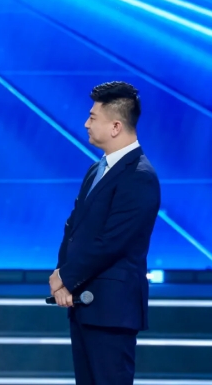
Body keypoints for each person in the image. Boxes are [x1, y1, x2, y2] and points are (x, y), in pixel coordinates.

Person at [48, 81, 161, 385]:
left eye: (92, 117)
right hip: (83, 304)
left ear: (115, 126)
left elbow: (112, 242)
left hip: (112, 310)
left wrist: (66, 276)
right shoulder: (96, 170)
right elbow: (74, 227)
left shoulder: (139, 176)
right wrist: (61, 275)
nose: (86, 124)